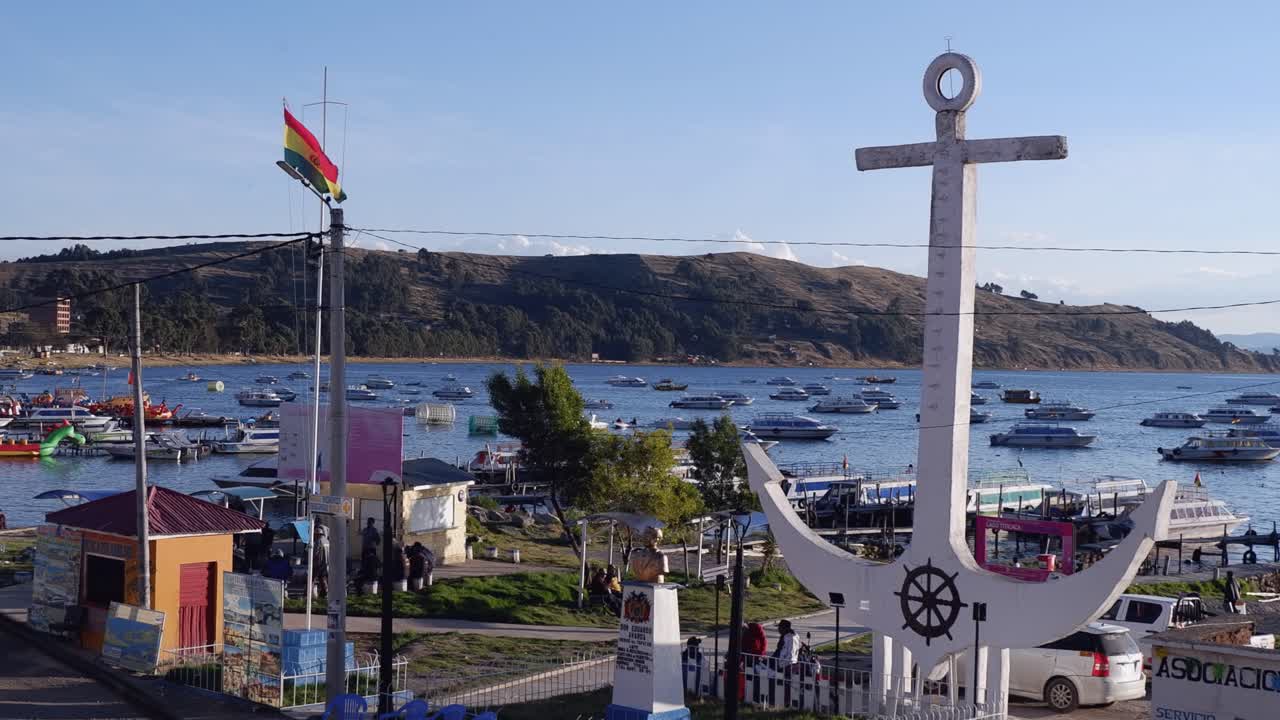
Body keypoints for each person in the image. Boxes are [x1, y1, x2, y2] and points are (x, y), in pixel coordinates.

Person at [312, 524, 329, 597]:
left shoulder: (318, 541)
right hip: (326, 564)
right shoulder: (327, 541)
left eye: (315, 534)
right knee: (322, 578)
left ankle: (307, 594)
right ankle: (324, 592)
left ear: (317, 534)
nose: (314, 536)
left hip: (318, 564)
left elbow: (315, 553)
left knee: (311, 579)